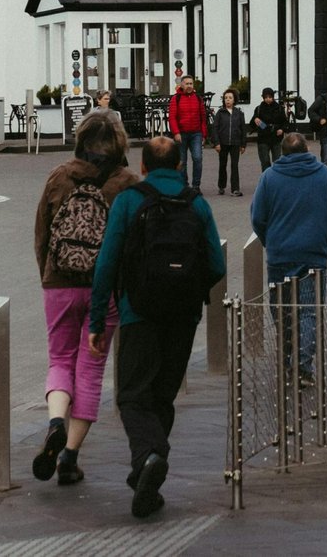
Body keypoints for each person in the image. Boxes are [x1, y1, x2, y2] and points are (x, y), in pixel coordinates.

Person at [87, 136, 224, 519]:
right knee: (163, 396)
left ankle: (149, 457)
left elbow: (106, 263)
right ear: (180, 165)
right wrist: (189, 291)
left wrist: (97, 319)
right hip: (183, 316)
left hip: (138, 314)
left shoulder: (129, 201)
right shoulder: (197, 203)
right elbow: (217, 264)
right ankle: (148, 475)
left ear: (143, 167)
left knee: (132, 396)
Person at [31, 112, 137, 486]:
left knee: (60, 359)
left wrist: (48, 276)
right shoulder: (127, 184)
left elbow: (41, 234)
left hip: (59, 282)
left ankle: (55, 421)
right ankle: (69, 457)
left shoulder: (59, 176)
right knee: (90, 371)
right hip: (104, 291)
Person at [250, 132, 327, 384]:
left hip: (280, 255)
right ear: (307, 150)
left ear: (282, 153)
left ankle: (287, 359)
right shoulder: (325, 175)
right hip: (313, 254)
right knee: (309, 311)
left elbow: (258, 217)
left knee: (281, 310)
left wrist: (270, 241)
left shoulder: (269, 177)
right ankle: (303, 366)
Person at [167, 75, 207, 188]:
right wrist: (176, 132)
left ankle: (196, 186)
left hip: (196, 133)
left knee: (198, 158)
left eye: (191, 84)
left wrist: (204, 134)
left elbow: (203, 118)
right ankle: (184, 185)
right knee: (182, 161)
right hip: (181, 134)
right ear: (181, 85)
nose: (189, 86)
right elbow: (172, 117)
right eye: (187, 84)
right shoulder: (176, 99)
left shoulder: (198, 99)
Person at [210, 88, 247, 196]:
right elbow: (215, 128)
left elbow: (243, 129)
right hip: (223, 143)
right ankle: (221, 186)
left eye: (230, 98)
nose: (228, 100)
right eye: (226, 98)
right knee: (223, 165)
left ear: (234, 100)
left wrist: (243, 144)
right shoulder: (220, 113)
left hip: (235, 143)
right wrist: (216, 143)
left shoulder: (239, 113)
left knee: (234, 165)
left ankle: (235, 188)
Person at [250, 87, 290, 171]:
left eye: (270, 97)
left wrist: (282, 130)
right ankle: (266, 177)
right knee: (265, 162)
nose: (268, 99)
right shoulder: (259, 109)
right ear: (263, 97)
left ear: (273, 97)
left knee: (277, 162)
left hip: (276, 138)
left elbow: (285, 122)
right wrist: (255, 120)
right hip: (263, 138)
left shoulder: (279, 108)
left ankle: (276, 177)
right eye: (266, 97)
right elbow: (252, 124)